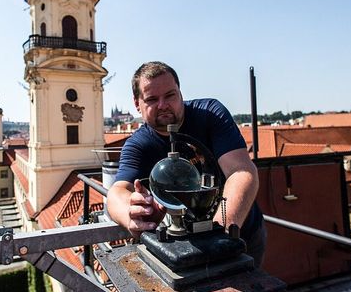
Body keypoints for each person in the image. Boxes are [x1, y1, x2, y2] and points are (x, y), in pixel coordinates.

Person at [107, 61, 266, 268]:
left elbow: (241, 171)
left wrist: (219, 233)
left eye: (170, 95)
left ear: (180, 94)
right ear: (137, 104)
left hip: (240, 233)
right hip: (181, 248)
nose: (163, 105)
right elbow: (117, 192)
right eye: (152, 99)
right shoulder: (138, 144)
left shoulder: (210, 113)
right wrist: (131, 215)